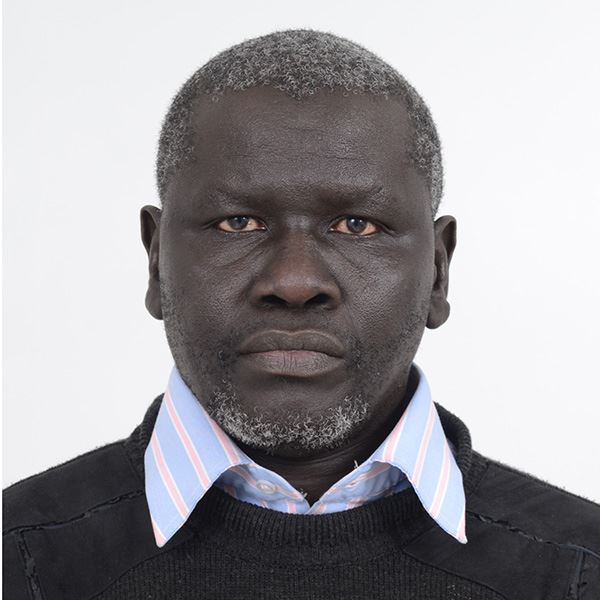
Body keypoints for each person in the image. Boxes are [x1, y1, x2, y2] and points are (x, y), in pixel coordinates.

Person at [3, 29, 599, 599]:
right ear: (157, 261)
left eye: (357, 225)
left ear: (438, 272)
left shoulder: (582, 568)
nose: (294, 283)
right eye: (238, 223)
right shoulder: (17, 561)